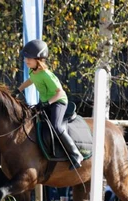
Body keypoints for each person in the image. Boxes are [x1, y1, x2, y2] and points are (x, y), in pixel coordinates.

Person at [13, 39, 83, 169]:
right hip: (46, 102)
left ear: (38, 59)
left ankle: (76, 154)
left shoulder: (46, 75)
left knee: (56, 126)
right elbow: (31, 80)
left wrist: (47, 103)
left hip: (58, 102)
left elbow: (60, 93)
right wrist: (18, 90)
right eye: (25, 58)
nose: (26, 60)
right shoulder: (32, 71)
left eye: (29, 58)